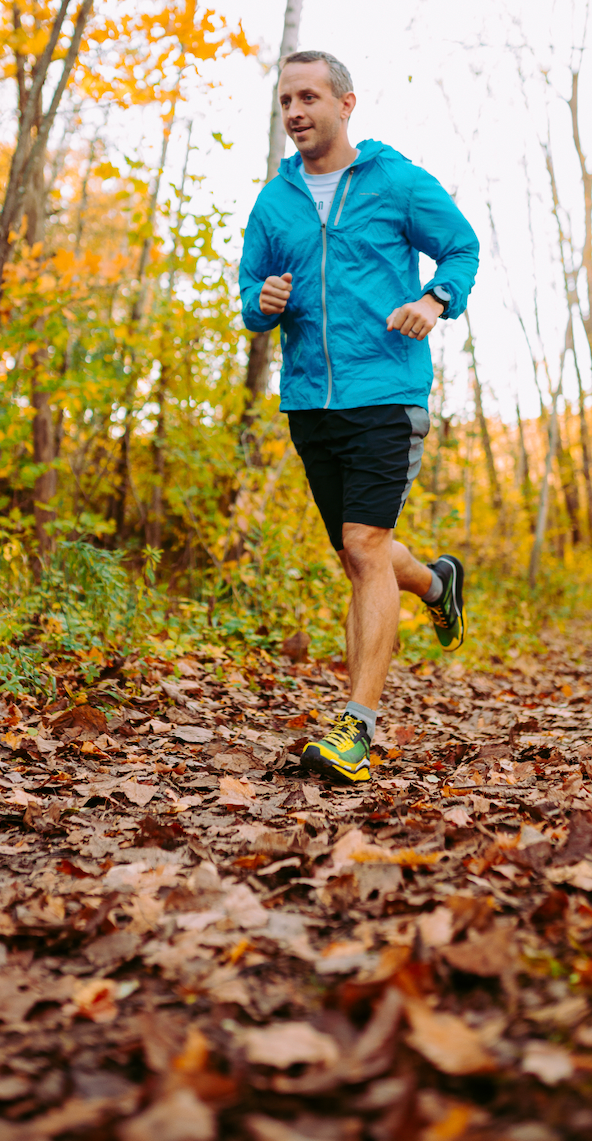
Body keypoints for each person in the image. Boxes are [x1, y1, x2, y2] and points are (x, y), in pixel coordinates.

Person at [239, 50, 480, 784]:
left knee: (365, 546)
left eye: (308, 97)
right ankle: (437, 584)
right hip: (310, 401)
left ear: (346, 103)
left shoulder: (395, 180)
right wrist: (263, 302)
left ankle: (357, 728)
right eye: (285, 101)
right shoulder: (273, 202)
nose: (295, 112)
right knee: (359, 555)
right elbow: (250, 291)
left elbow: (460, 248)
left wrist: (435, 301)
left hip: (386, 392)